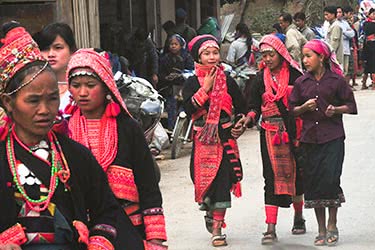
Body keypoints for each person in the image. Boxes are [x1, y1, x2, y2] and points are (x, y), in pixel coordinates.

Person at [0, 22, 144, 250]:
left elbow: (106, 211)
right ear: (9, 103)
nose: (45, 110)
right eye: (33, 100)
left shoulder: (74, 156)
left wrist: (98, 241)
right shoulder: (3, 156)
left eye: (52, 99)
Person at [66, 48, 167, 249]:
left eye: (90, 85)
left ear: (106, 87)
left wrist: (155, 238)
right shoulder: (64, 130)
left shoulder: (127, 128)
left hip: (130, 225)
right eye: (76, 85)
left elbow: (147, 182)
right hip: (83, 230)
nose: (83, 92)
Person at [289, 39, 357, 246]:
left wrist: (335, 110)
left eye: (309, 56)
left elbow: (351, 106)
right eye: (304, 56)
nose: (305, 60)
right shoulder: (301, 83)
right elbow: (291, 110)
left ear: (322, 57)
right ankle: (320, 228)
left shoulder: (336, 81)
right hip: (309, 138)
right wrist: (303, 109)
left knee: (330, 179)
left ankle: (332, 224)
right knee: (314, 182)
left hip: (332, 137)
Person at [239, 34, 305, 245]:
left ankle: (298, 216)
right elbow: (253, 106)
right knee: (270, 177)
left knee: (296, 175)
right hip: (268, 133)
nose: (267, 59)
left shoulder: (295, 76)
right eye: (263, 55)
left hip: (293, 131)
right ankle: (270, 227)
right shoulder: (260, 79)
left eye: (271, 54)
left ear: (281, 54)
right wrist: (248, 118)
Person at [182, 35, 247, 247]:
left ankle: (218, 229)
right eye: (207, 53)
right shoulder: (191, 82)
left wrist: (240, 123)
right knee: (202, 182)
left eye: (215, 53)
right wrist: (205, 88)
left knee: (222, 181)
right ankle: (210, 212)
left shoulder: (228, 80)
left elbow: (242, 107)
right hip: (202, 140)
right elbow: (188, 109)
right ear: (198, 57)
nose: (212, 57)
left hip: (225, 137)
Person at [34, 22, 77, 112]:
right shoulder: (33, 87)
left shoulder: (81, 89)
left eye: (58, 48)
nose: (50, 54)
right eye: (45, 49)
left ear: (72, 51)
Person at [158, 34, 194, 131]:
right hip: (170, 88)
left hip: (184, 87)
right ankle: (173, 132)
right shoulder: (165, 59)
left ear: (181, 45)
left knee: (185, 108)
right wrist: (166, 78)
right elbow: (160, 74)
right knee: (171, 109)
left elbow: (192, 71)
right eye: (171, 44)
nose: (173, 46)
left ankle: (187, 131)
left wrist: (181, 75)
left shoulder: (187, 57)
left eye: (176, 44)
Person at [337, 6, 356, 86]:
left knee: (346, 70)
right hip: (338, 50)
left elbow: (352, 33)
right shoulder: (332, 23)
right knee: (339, 69)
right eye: (337, 12)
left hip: (346, 49)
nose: (339, 14)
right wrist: (345, 32)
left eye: (340, 12)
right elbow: (339, 35)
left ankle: (346, 86)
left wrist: (344, 32)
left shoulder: (344, 23)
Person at [362, 8, 375, 89]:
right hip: (369, 46)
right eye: (373, 14)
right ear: (369, 14)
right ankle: (367, 83)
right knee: (370, 66)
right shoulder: (366, 23)